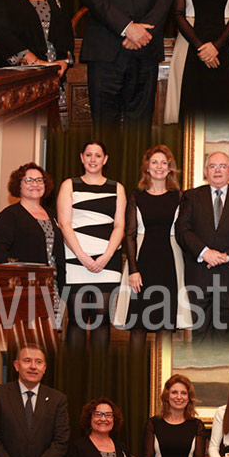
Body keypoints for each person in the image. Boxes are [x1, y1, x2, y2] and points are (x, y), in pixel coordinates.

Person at [175, 151, 229, 345]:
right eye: (213, 166)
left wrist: (227, 255)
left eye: (223, 166)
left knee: (226, 336)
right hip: (199, 275)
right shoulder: (191, 196)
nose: (218, 170)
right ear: (206, 171)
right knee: (201, 335)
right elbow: (182, 230)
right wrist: (205, 253)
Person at [57, 141, 126, 351]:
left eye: (98, 155)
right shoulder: (69, 185)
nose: (93, 160)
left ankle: (99, 369)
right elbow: (64, 223)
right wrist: (82, 257)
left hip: (108, 260)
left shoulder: (117, 188)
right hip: (75, 259)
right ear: (81, 157)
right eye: (89, 155)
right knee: (77, 320)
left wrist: (106, 257)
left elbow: (120, 225)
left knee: (101, 319)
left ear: (105, 160)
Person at [117, 145, 182, 343]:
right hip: (142, 265)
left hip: (170, 264)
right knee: (138, 326)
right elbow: (129, 234)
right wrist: (133, 270)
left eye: (164, 162)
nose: (159, 166)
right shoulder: (137, 195)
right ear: (147, 167)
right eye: (154, 162)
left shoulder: (179, 197)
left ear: (170, 168)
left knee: (165, 327)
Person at [0, 344, 69, 457]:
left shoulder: (57, 399)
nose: (33, 366)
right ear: (16, 365)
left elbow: (60, 442)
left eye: (38, 362)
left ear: (44, 368)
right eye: (27, 361)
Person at [0, 163, 66, 326]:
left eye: (39, 180)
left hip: (50, 287)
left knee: (48, 337)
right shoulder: (8, 217)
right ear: (19, 185)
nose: (35, 184)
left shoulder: (52, 215)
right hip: (21, 290)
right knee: (25, 339)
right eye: (29, 180)